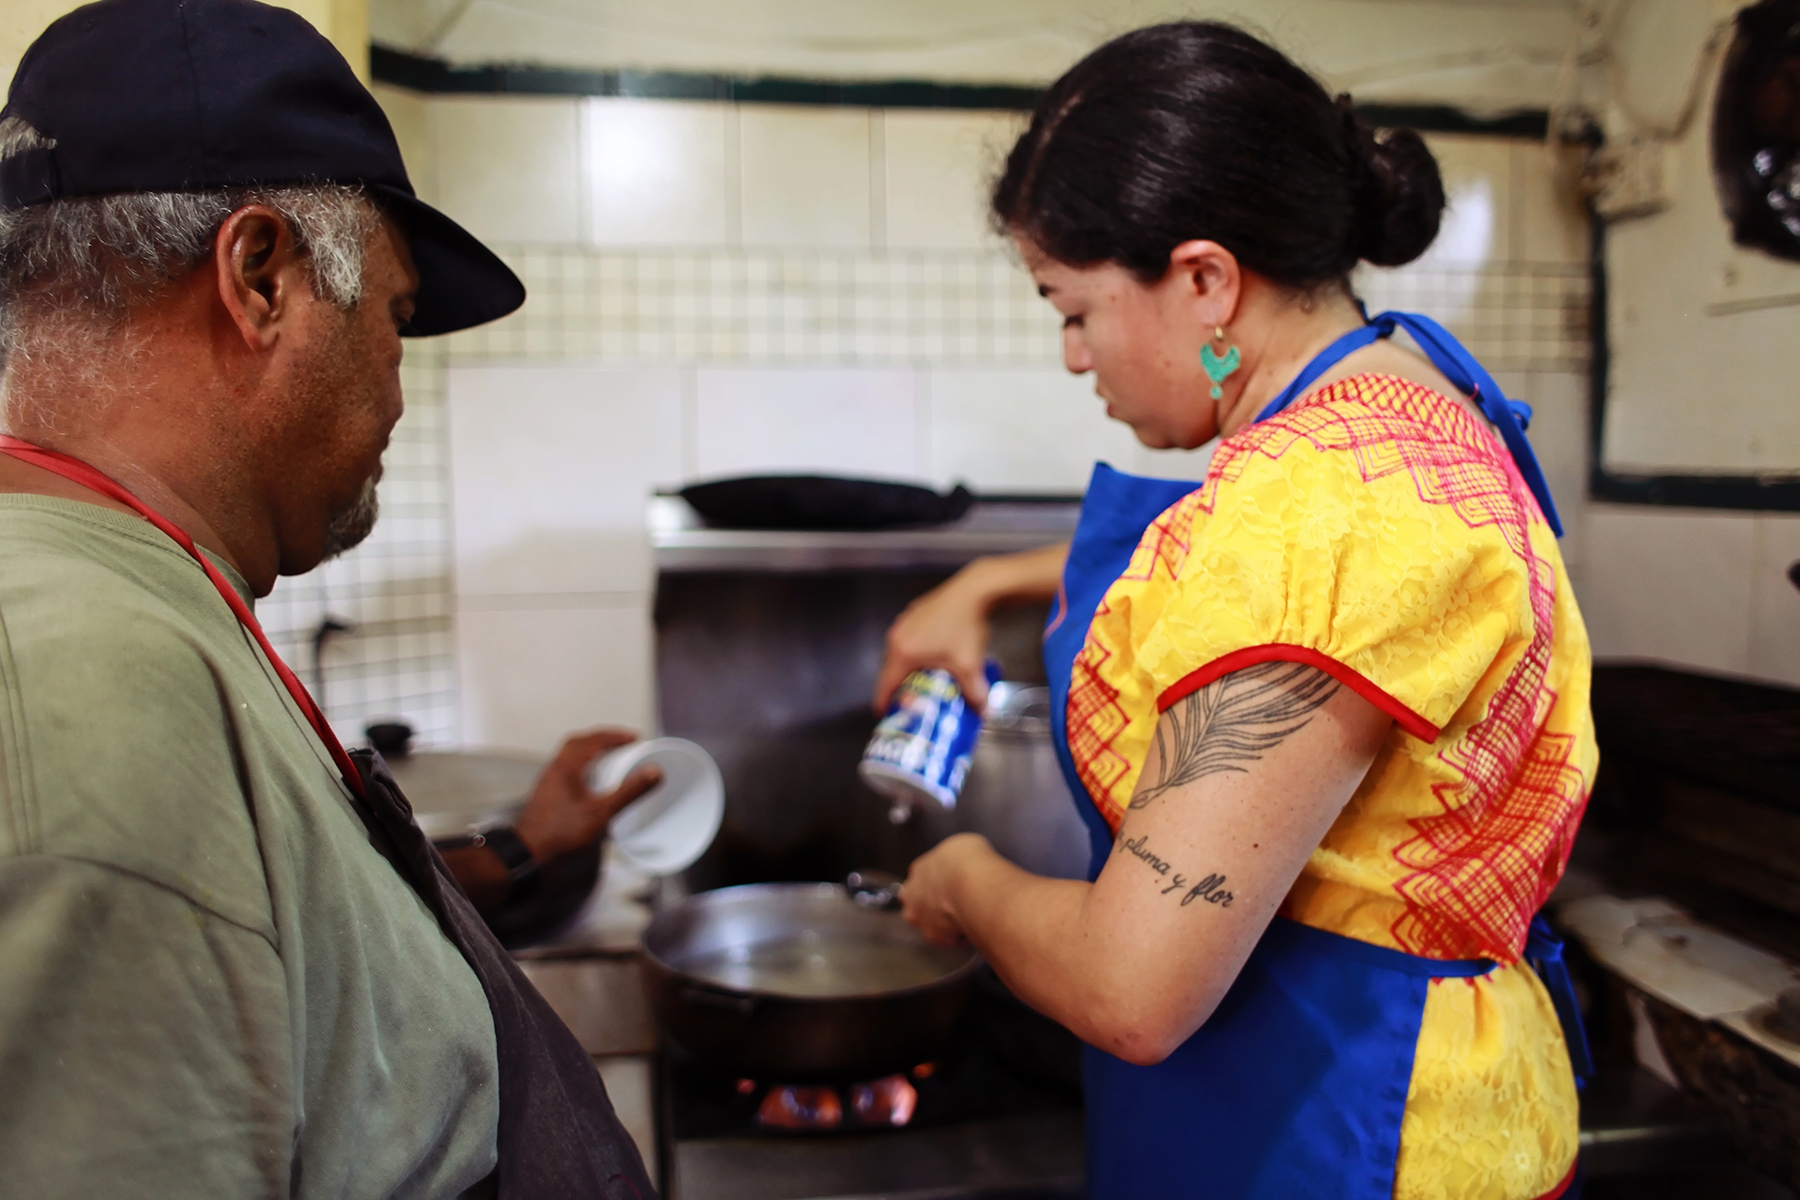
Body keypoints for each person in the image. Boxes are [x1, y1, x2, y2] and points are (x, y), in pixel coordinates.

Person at [882, 22, 1595, 1200]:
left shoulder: (1318, 502)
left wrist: (964, 879)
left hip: (1346, 1129)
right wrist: (989, 578)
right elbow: (1256, 574)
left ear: (1207, 280)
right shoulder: (1408, 399)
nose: (1073, 355)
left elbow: (1131, 989)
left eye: (1073, 307)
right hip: (1442, 1090)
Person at [0, 0, 658, 1195]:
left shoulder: (139, 593)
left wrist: (525, 845)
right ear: (261, 278)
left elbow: (290, 942)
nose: (400, 396)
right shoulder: (82, 684)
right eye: (398, 322)